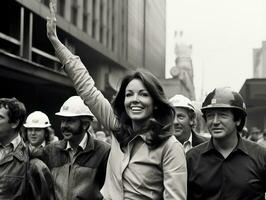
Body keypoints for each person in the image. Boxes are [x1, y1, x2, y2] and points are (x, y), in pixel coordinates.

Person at [46, 1, 187, 199]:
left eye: (143, 94)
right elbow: (87, 87)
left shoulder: (170, 147)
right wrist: (56, 42)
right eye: (129, 94)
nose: (134, 100)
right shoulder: (117, 126)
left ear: (155, 102)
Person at [186, 87, 266, 200]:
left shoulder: (260, 156)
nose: (215, 122)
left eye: (223, 115)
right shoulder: (191, 158)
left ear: (238, 120)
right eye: (210, 116)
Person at [32, 96, 110, 200]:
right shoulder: (51, 150)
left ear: (85, 124)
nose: (64, 125)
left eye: (70, 121)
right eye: (63, 121)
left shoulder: (103, 151)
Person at [0, 97, 55, 199]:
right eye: (30, 129)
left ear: (15, 123)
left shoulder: (34, 163)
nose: (33, 133)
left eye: (0, 117)